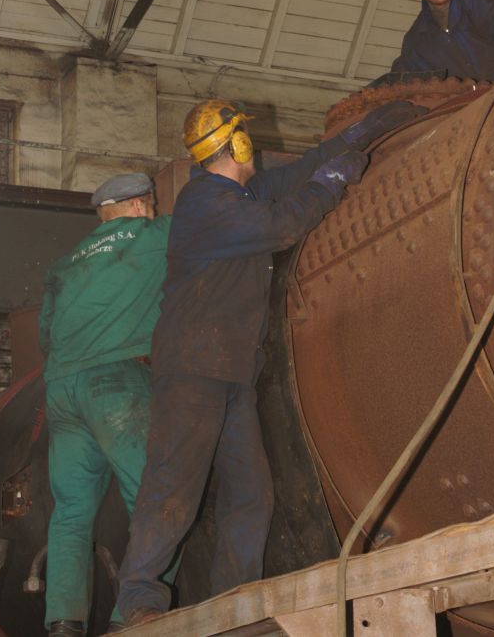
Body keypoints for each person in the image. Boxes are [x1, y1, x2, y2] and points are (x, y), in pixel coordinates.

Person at [115, 97, 423, 626]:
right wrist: (333, 184)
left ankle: (231, 605)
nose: (251, 145)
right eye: (245, 137)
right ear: (234, 143)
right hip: (194, 368)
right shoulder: (205, 203)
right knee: (174, 485)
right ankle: (139, 601)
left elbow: (298, 173)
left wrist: (358, 138)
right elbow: (284, 224)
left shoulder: (238, 192)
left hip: (232, 372)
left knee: (252, 493)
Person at [39, 172, 179, 637]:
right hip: (115, 383)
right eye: (152, 206)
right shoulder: (154, 235)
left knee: (72, 512)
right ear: (140, 206)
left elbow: (44, 336)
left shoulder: (63, 264)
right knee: (155, 499)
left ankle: (64, 623)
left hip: (61, 391)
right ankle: (131, 619)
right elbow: (220, 225)